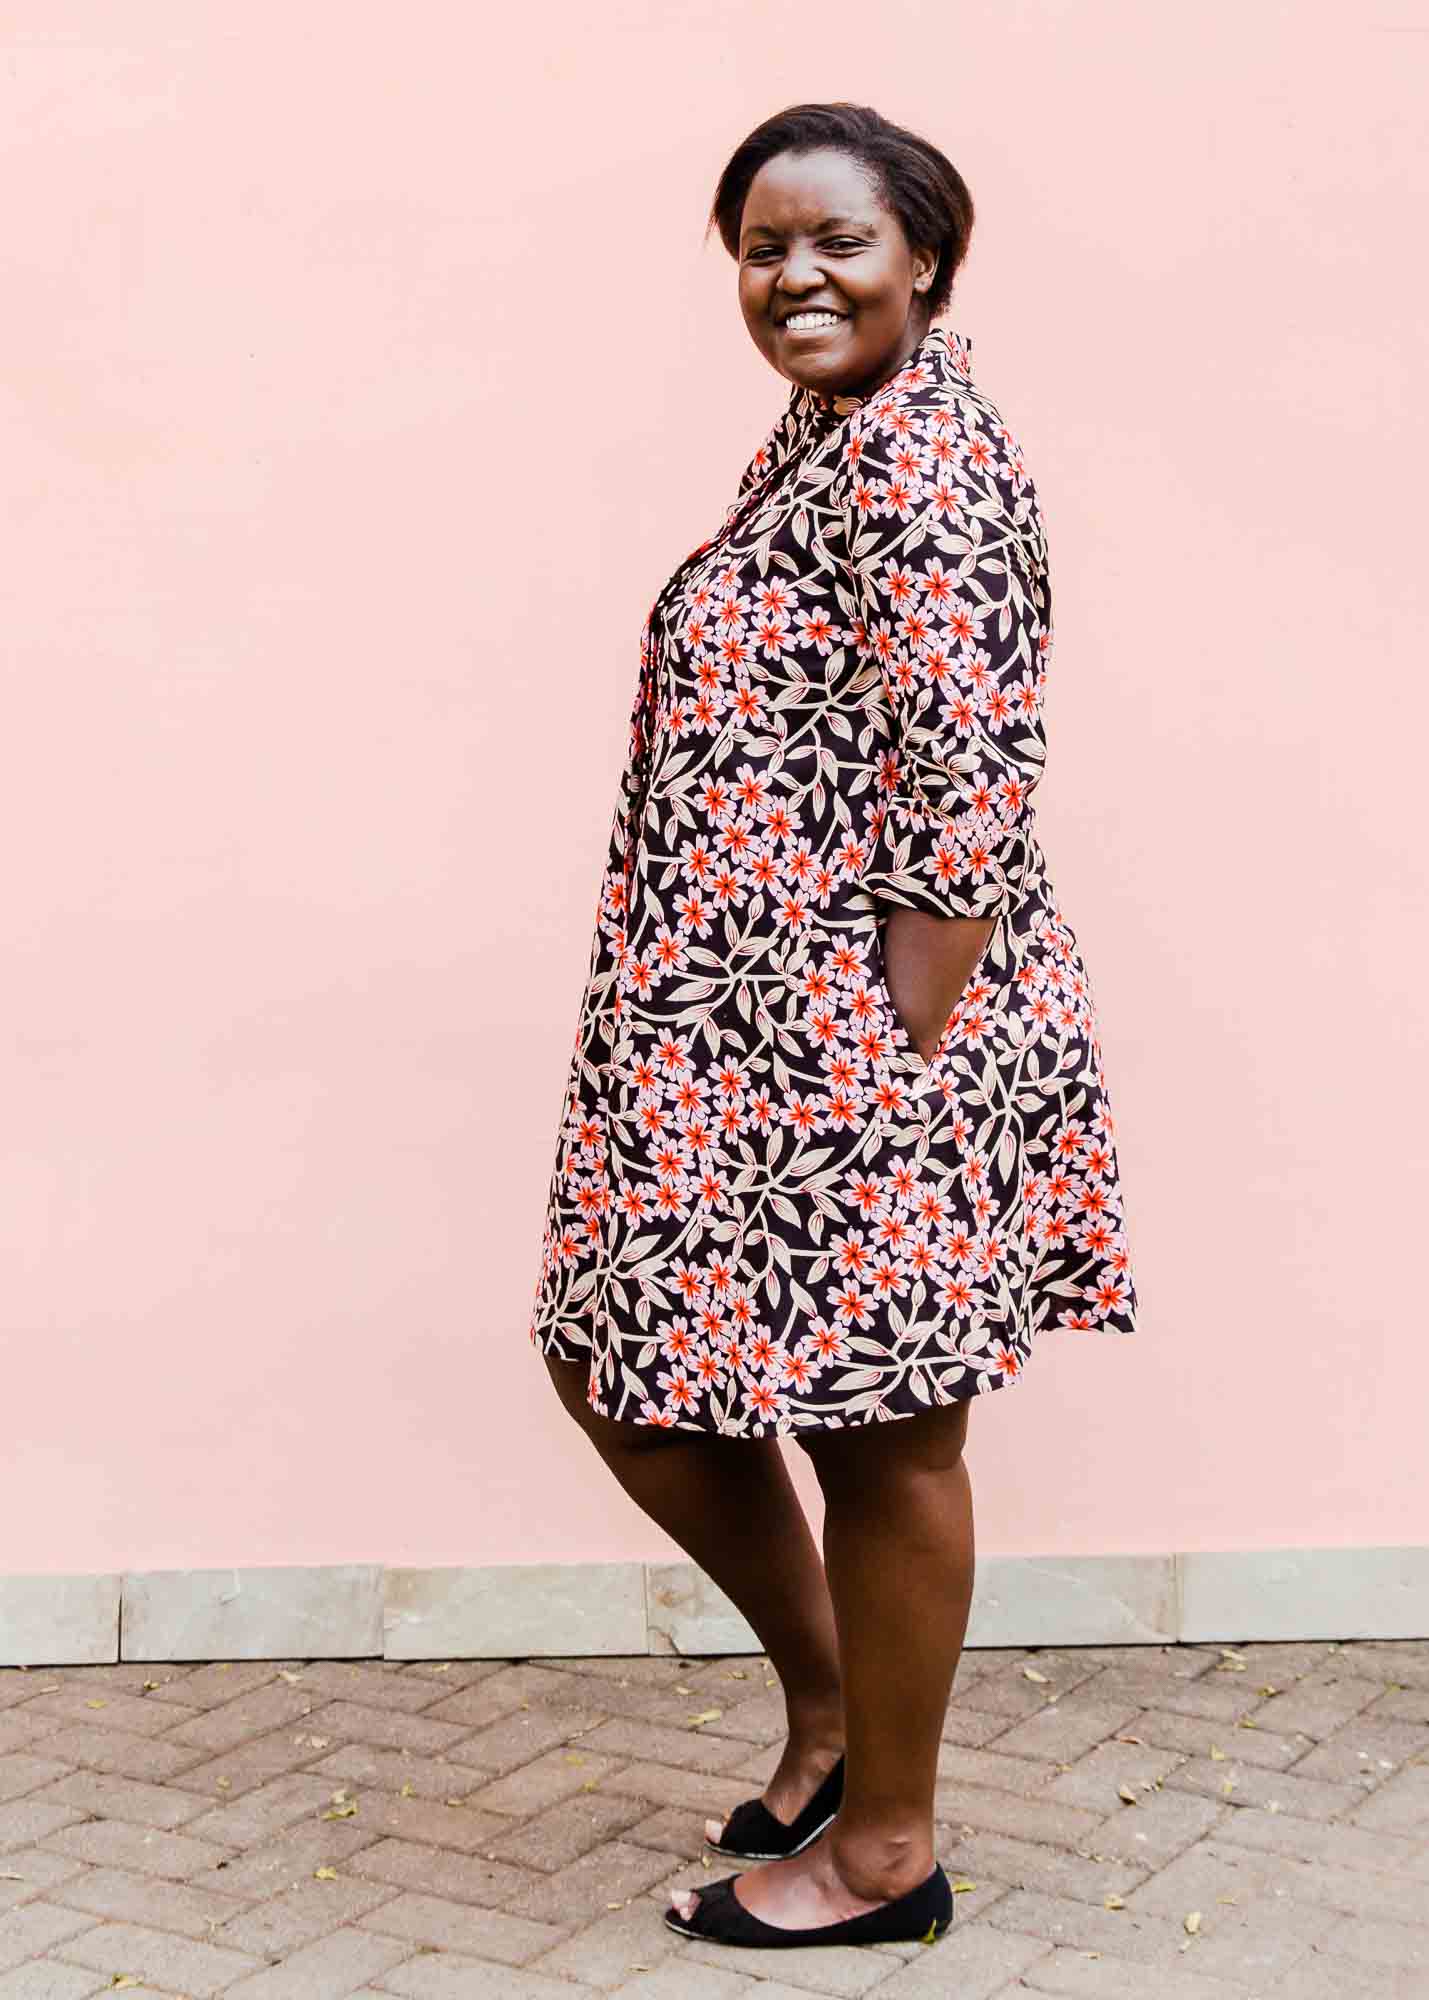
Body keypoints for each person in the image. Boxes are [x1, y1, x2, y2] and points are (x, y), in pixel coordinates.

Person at [527, 101, 1139, 1952]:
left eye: (837, 242)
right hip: (733, 1030)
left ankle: (882, 1855)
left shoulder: (923, 458)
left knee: (882, 1436)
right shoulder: (830, 430)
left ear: (924, 260)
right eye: (761, 247)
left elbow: (971, 773)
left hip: (855, 1035)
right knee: (618, 1361)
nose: (793, 277)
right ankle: (830, 1718)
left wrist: (890, 1048)